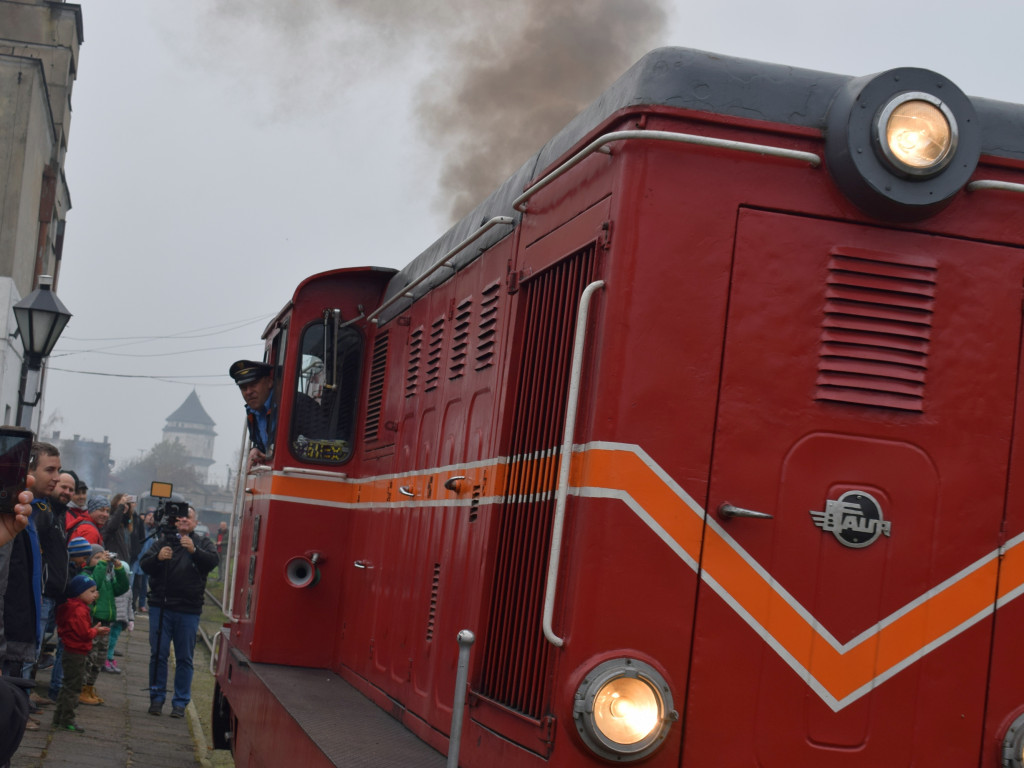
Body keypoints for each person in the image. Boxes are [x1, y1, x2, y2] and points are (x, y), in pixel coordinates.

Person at [140, 504, 218, 717]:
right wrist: (157, 558)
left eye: (188, 518)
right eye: (181, 517)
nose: (184, 520)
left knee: (185, 657)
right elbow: (145, 565)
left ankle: (180, 702)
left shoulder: (203, 543)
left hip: (188, 609)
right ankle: (156, 698)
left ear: (195, 523)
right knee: (159, 654)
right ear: (174, 521)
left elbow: (212, 562)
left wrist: (194, 551)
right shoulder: (163, 542)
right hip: (161, 606)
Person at [52, 574, 109, 734]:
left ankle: (59, 717)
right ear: (79, 592)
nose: (95, 594)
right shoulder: (78, 610)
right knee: (73, 687)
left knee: (67, 685)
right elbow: (84, 633)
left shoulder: (73, 607)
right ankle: (67, 719)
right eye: (91, 591)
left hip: (71, 650)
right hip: (76, 651)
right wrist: (96, 631)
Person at [79, 546, 128, 704]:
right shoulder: (86, 576)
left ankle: (89, 687)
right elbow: (95, 583)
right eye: (97, 557)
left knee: (99, 659)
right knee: (89, 657)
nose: (101, 560)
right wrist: (102, 564)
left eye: (103, 557)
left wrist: (119, 569)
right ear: (88, 560)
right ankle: (81, 689)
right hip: (94, 621)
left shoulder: (107, 576)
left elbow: (122, 588)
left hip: (106, 622)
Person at [229, 359, 276, 468]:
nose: (248, 392)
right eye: (243, 388)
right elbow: (264, 447)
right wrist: (256, 449)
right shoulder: (252, 414)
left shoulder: (295, 405)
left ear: (269, 382)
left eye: (254, 384)